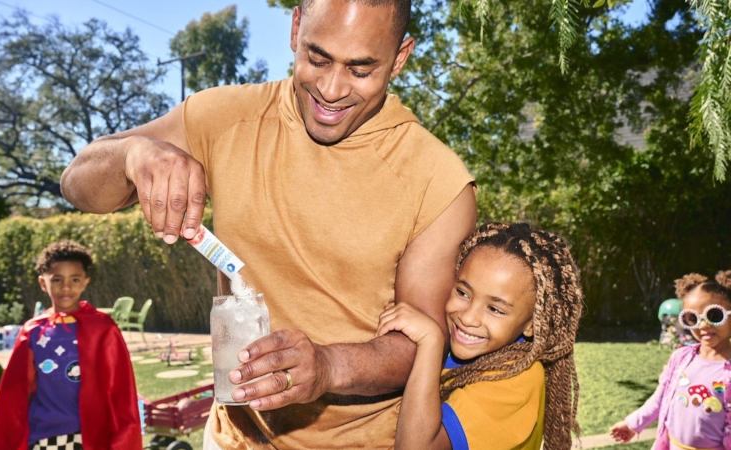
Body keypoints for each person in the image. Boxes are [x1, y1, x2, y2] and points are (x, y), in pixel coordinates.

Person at [60, 0, 477, 447]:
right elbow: (77, 185)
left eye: (361, 70)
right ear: (296, 27)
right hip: (231, 436)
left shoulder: (438, 182)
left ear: (400, 57)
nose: (332, 89)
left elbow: (421, 342)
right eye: (318, 58)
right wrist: (133, 154)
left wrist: (329, 366)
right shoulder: (224, 117)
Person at [377, 222, 583, 449]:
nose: (468, 318)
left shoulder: (517, 381)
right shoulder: (473, 350)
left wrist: (430, 343)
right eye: (463, 292)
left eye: (495, 309)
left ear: (533, 325)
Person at [0, 241, 141, 450]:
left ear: (85, 282)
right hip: (44, 437)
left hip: (90, 437)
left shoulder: (103, 329)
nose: (66, 287)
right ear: (43, 283)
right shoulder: (33, 332)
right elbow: (14, 395)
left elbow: (121, 391)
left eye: (75, 279)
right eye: (57, 279)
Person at [610, 270, 731, 450]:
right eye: (692, 318)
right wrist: (632, 424)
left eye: (714, 315)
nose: (704, 325)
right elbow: (660, 397)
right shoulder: (681, 358)